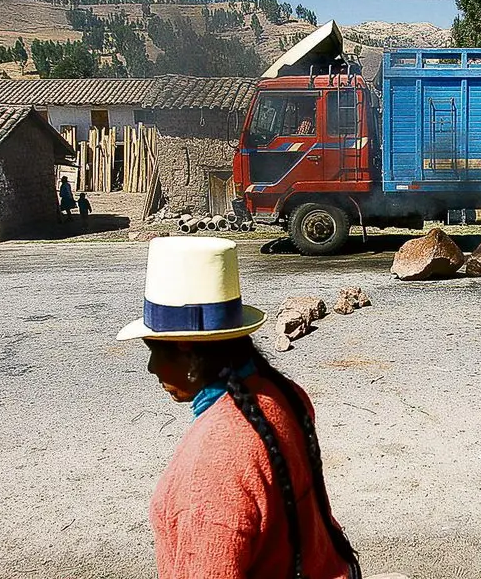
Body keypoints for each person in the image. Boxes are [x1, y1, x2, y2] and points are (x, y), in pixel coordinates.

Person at [116, 237, 361, 579]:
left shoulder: (209, 466)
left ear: (188, 352)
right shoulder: (284, 393)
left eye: (154, 350)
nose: (151, 368)